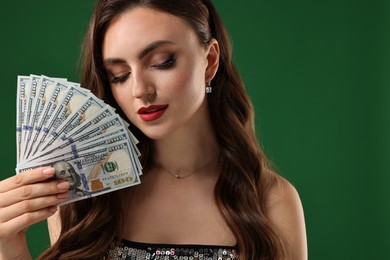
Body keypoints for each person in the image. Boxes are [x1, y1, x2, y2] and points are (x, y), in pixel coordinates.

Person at [0, 0, 307, 259]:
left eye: (162, 62)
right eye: (119, 75)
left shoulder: (273, 201)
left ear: (210, 60)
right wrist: (9, 248)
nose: (139, 90)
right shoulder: (84, 195)